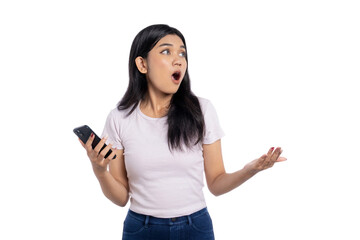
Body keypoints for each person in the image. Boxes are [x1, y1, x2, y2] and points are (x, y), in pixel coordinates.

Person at [78, 24, 287, 240]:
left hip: (195, 227)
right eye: (166, 51)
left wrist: (250, 170)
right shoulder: (119, 118)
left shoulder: (202, 110)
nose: (178, 59)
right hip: (141, 229)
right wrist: (99, 170)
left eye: (182, 53)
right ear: (142, 64)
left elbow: (216, 183)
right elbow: (121, 197)